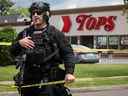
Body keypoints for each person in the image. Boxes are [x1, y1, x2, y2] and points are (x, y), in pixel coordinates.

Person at [10, 1, 75, 96]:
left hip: (50, 80)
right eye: (33, 13)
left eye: (39, 13)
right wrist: (19, 44)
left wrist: (69, 72)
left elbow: (68, 53)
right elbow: (12, 51)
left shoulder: (55, 34)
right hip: (29, 81)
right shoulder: (25, 33)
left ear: (46, 14)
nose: (35, 15)